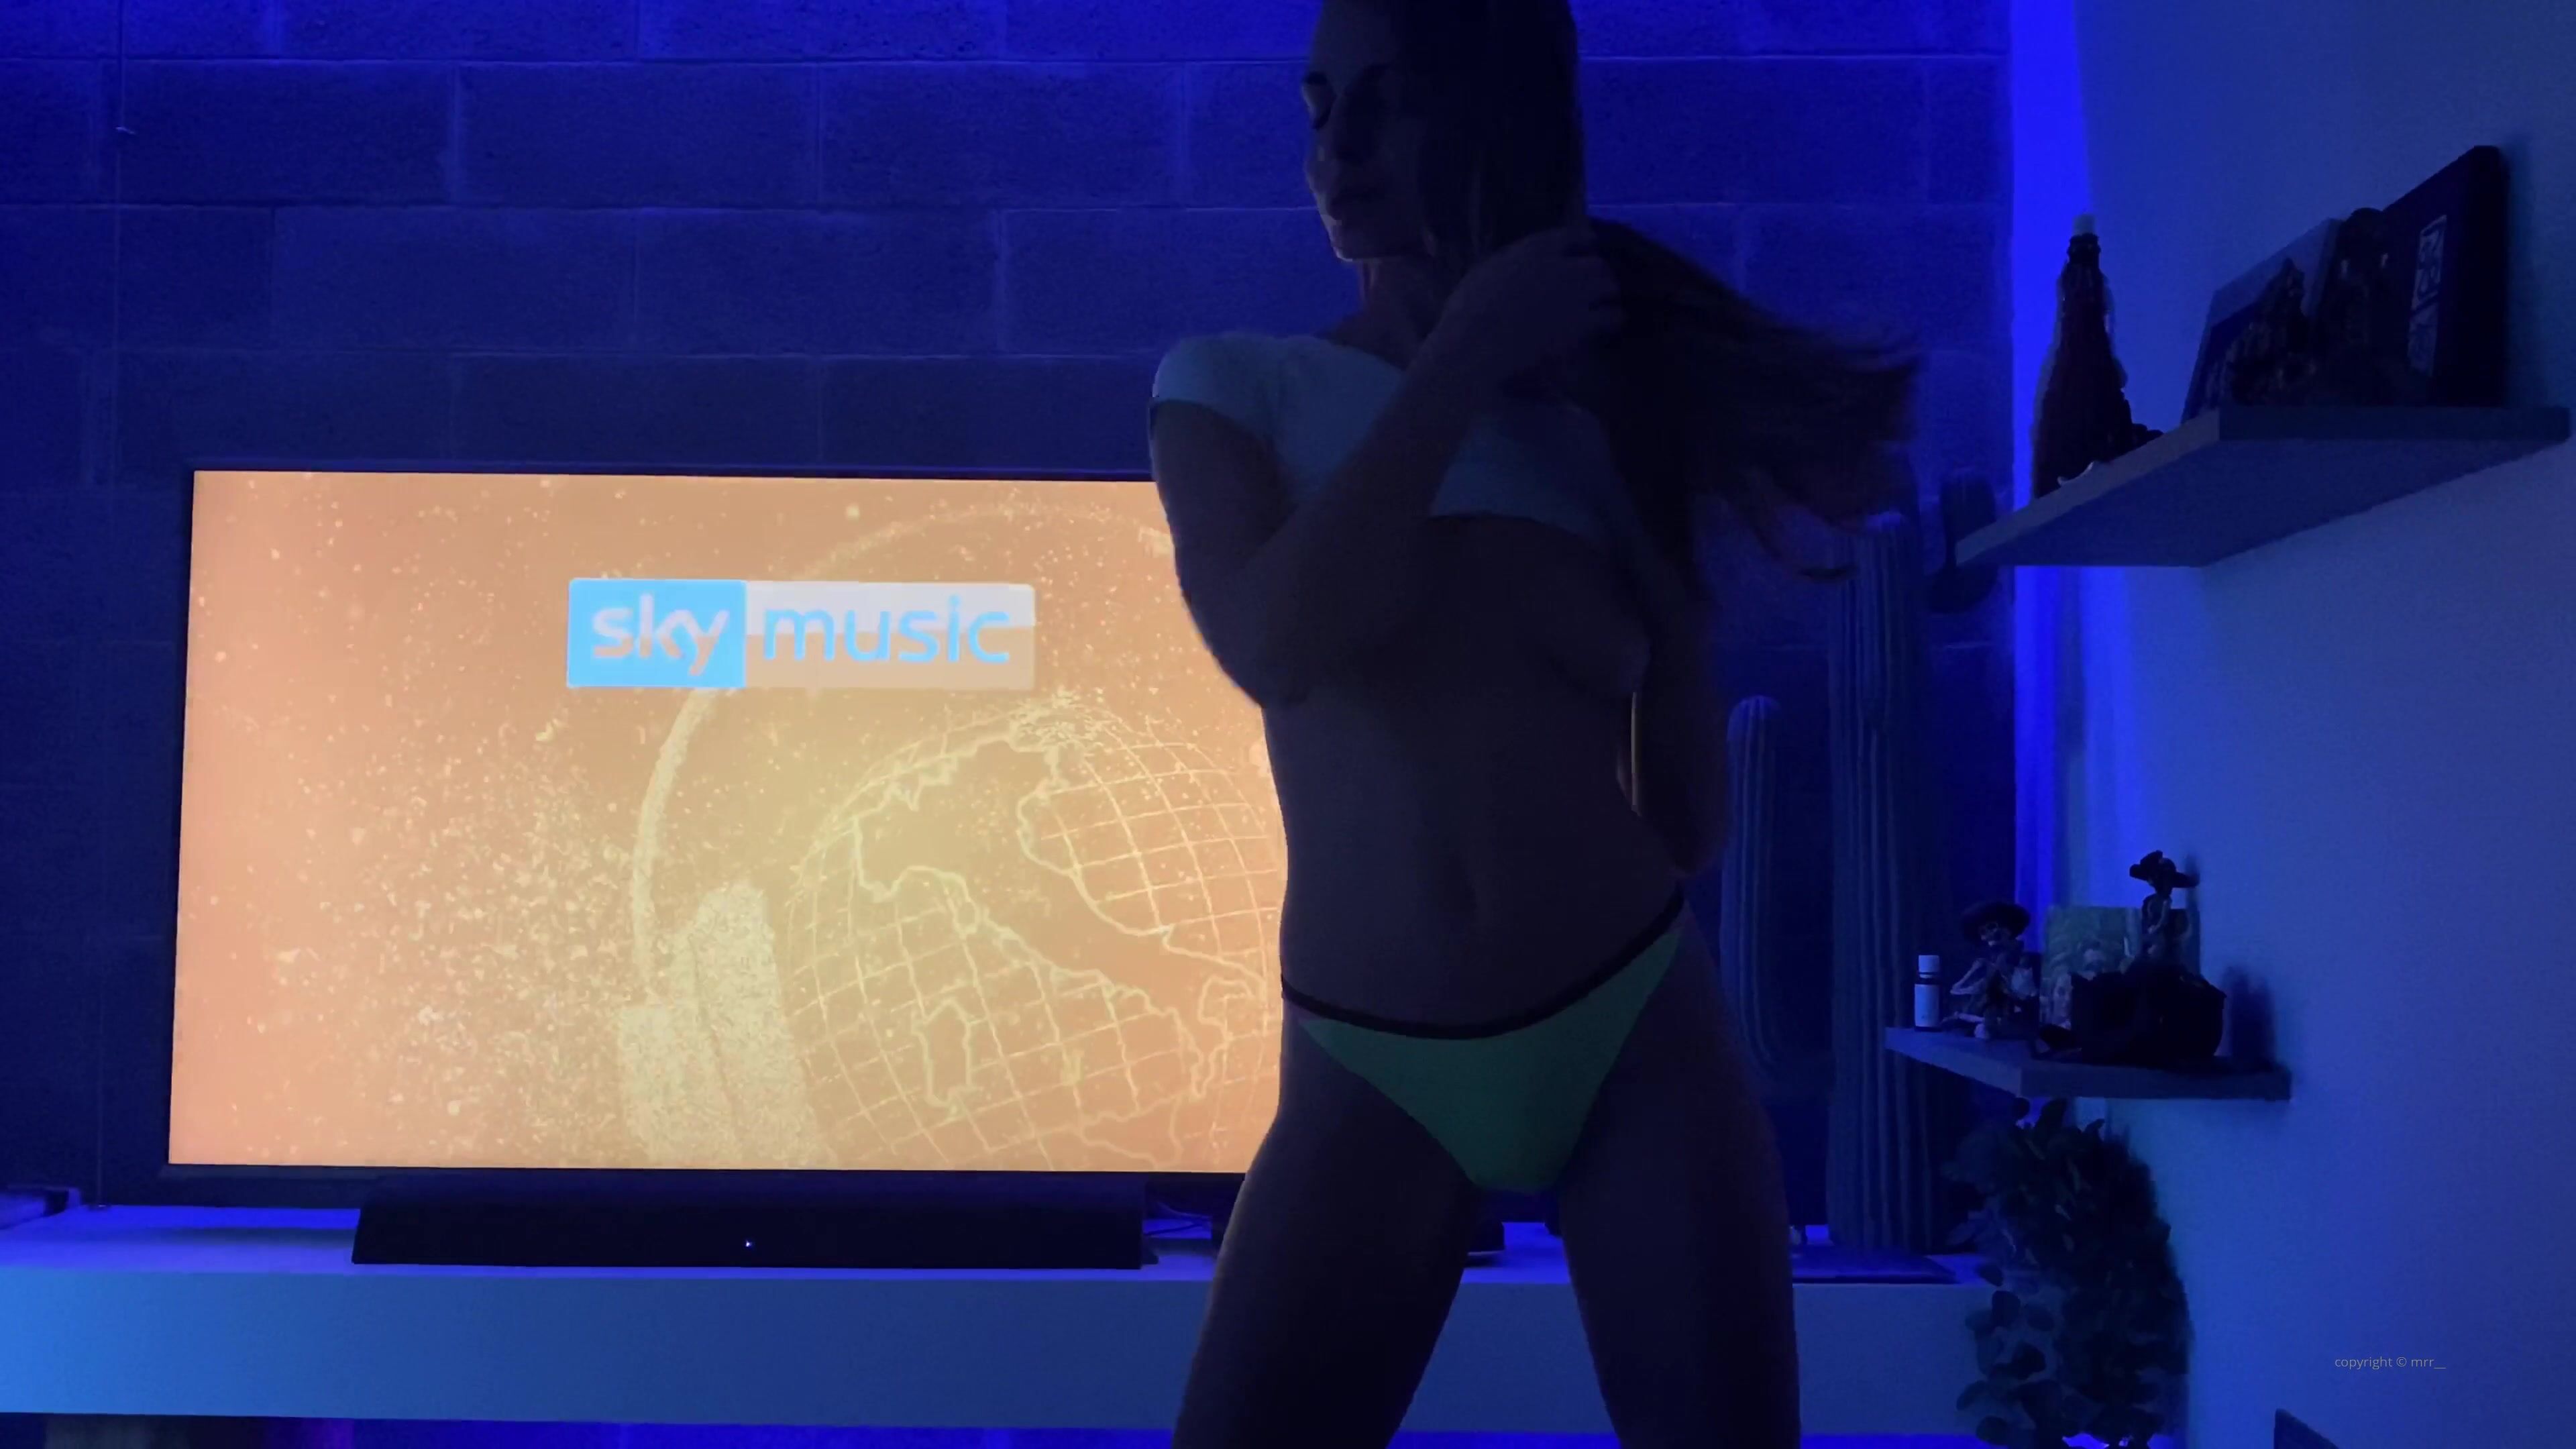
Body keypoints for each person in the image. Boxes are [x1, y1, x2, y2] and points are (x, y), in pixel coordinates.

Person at [1146, 1, 1917, 1444]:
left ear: (1487, 115)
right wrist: (1458, 363)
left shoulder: (1592, 424)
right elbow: (1275, 646)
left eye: (1384, 102)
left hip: (1630, 1022)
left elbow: (1686, 820)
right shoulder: (1234, 386)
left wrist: (1651, 555)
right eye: (1317, 106)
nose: (1335, 150)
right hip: (1370, 1059)